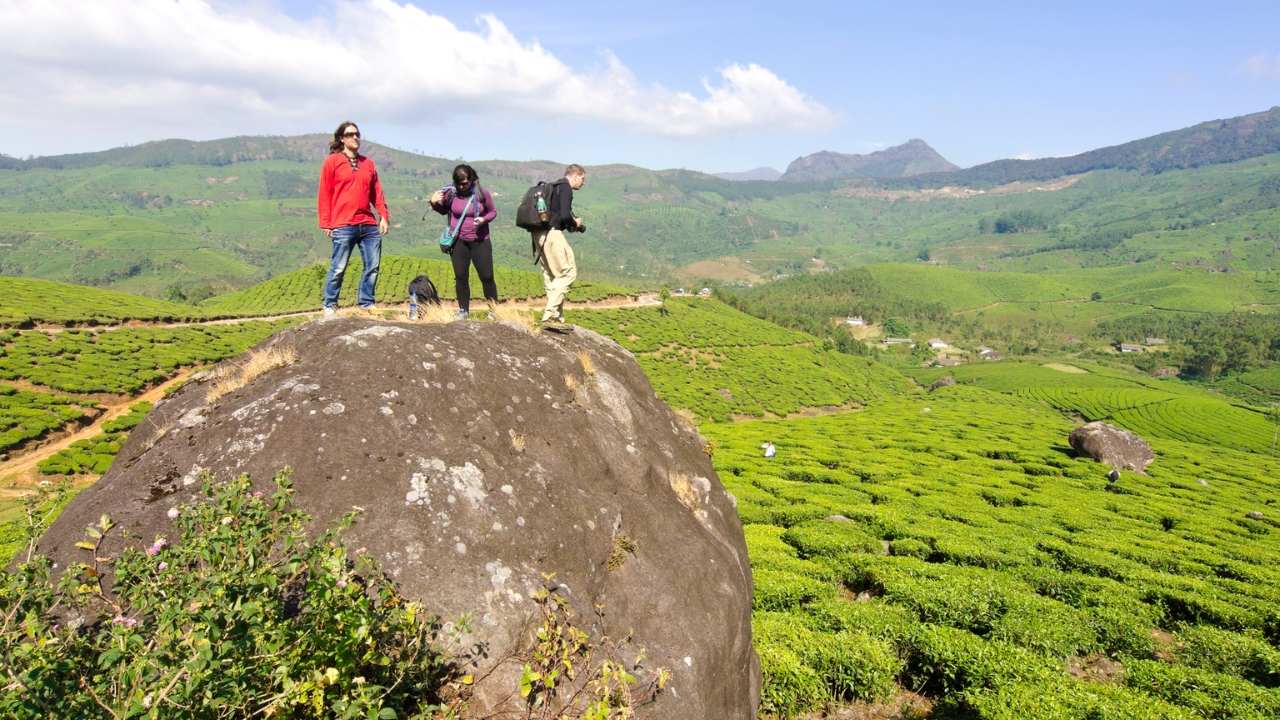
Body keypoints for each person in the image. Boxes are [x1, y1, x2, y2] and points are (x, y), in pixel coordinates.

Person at [317, 121, 389, 315]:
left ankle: (367, 303)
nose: (355, 137)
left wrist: (383, 216)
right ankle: (329, 305)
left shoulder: (368, 163)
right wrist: (325, 222)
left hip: (367, 223)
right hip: (343, 223)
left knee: (372, 266)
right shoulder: (332, 162)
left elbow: (377, 193)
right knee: (338, 267)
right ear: (342, 138)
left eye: (357, 134)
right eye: (350, 134)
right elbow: (325, 193)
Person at [430, 164, 498, 319]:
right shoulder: (451, 193)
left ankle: (494, 310)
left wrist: (483, 219)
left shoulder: (482, 193)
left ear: (471, 180)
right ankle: (463, 311)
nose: (462, 186)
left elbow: (492, 212)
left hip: (480, 240)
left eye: (465, 183)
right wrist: (433, 202)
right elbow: (443, 210)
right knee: (460, 276)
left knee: (487, 276)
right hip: (458, 240)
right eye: (459, 183)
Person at [532, 164, 585, 331]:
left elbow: (557, 215)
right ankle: (550, 314)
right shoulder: (566, 188)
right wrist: (575, 223)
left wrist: (568, 225)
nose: (583, 183)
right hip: (552, 235)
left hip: (539, 234)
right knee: (568, 273)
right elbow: (565, 215)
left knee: (552, 277)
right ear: (575, 176)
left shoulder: (553, 187)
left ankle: (557, 318)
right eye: (582, 179)